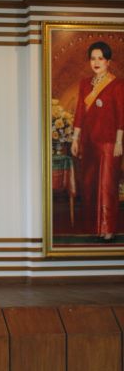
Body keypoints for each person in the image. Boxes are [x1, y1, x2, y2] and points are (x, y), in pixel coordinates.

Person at [71, 41, 124, 242]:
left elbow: (122, 115)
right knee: (90, 185)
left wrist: (119, 142)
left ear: (108, 61)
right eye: (93, 58)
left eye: (100, 58)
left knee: (107, 186)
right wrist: (75, 139)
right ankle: (95, 227)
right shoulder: (85, 84)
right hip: (89, 142)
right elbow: (79, 113)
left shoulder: (117, 84)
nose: (96, 62)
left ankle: (108, 228)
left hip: (109, 143)